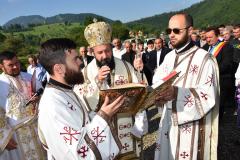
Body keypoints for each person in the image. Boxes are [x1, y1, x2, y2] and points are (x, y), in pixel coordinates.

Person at [37, 38, 125, 160]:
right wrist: (103, 116)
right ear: (59, 69)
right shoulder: (52, 106)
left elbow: (82, 123)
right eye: (75, 59)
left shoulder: (65, 91)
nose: (80, 63)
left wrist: (100, 113)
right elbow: (76, 153)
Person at [74, 21, 147, 158]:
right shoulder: (85, 72)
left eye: (107, 51)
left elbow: (140, 95)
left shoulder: (126, 67)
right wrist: (97, 82)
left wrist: (139, 122)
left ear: (111, 48)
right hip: (102, 133)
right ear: (92, 52)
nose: (104, 56)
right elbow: (81, 101)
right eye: (99, 52)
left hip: (126, 128)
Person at [153, 13, 219, 160]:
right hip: (167, 124)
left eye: (176, 31)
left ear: (190, 31)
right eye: (169, 31)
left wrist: (176, 93)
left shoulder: (204, 59)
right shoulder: (169, 57)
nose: (171, 35)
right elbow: (157, 82)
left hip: (189, 128)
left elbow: (208, 96)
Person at [0, 51, 45, 160]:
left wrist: (39, 98)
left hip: (38, 128)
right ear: (1, 66)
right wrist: (3, 138)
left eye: (17, 63)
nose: (15, 67)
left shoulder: (29, 77)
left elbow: (43, 94)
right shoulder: (1, 83)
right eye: (10, 65)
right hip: (15, 135)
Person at [205, 26, 235, 122]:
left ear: (217, 36)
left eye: (210, 37)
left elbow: (227, 64)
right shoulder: (207, 48)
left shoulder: (226, 46)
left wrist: (211, 71)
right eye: (207, 37)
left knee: (219, 107)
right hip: (209, 81)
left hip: (221, 81)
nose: (208, 39)